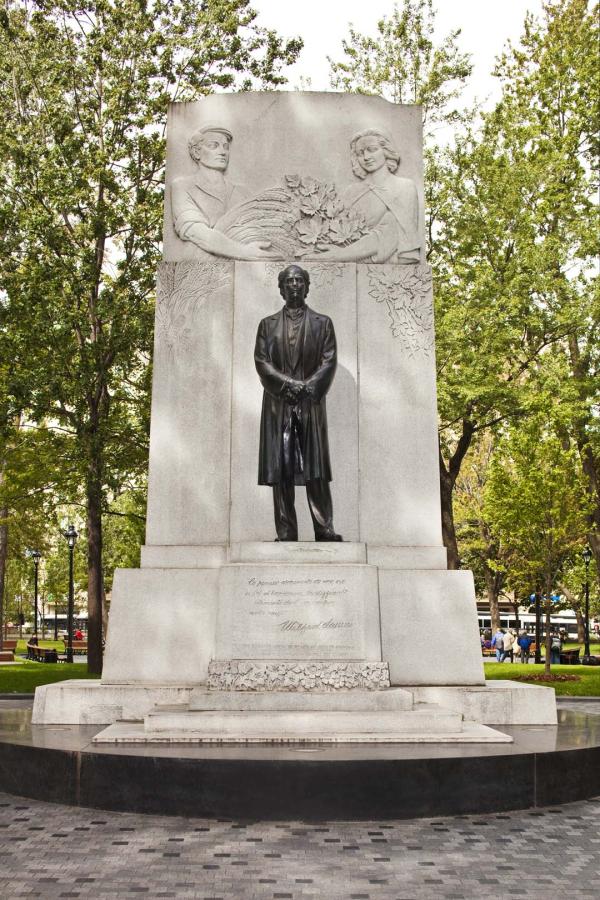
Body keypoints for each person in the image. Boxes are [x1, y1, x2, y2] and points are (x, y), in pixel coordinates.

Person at [255, 265, 342, 542]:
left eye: (299, 280)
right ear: (281, 288)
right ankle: (286, 531)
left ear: (306, 286)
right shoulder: (267, 325)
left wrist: (307, 387)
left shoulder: (322, 323)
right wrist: (288, 385)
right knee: (281, 469)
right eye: (289, 281)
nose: (294, 285)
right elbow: (262, 362)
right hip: (278, 405)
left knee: (314, 469)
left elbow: (329, 361)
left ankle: (323, 528)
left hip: (310, 405)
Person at [314, 127, 421, 264]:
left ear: (386, 150)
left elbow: (390, 232)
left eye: (372, 150)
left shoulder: (404, 187)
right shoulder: (350, 192)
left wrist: (340, 255)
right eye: (360, 153)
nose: (366, 157)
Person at [171, 125, 276, 260]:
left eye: (225, 147)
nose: (223, 152)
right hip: (202, 268)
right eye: (213, 146)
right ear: (196, 152)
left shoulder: (242, 192)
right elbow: (195, 231)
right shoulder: (182, 186)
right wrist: (243, 251)